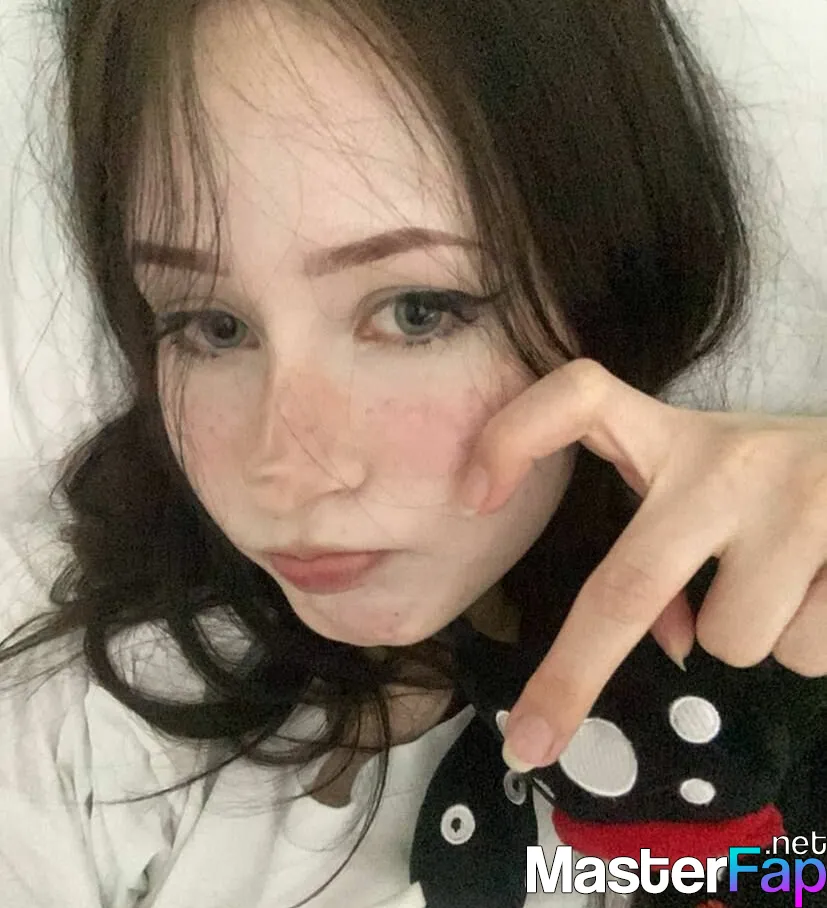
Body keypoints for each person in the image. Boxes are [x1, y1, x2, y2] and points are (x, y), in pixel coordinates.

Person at [0, 0, 825, 906]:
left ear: (605, 284)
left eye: (415, 311)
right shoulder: (90, 734)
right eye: (212, 325)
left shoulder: (767, 683)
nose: (289, 472)